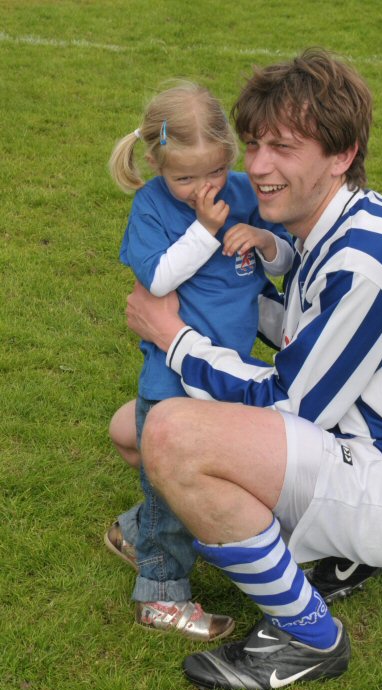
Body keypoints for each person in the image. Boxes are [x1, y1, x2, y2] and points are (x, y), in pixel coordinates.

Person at [125, 49, 382, 690]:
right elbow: (294, 327)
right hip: (365, 444)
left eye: (285, 148)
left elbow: (292, 398)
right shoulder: (330, 229)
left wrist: (173, 339)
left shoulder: (366, 260)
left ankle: (307, 637)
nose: (258, 167)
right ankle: (337, 554)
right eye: (255, 144)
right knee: (134, 425)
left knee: (172, 431)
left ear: (340, 155)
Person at [103, 81, 293, 642]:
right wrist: (207, 230)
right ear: (157, 161)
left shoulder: (241, 192)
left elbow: (284, 262)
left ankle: (135, 530)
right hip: (170, 377)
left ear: (228, 159)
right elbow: (157, 279)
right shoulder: (153, 206)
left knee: (191, 485)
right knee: (170, 487)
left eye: (211, 174)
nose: (199, 189)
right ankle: (161, 596)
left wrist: (261, 238)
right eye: (183, 177)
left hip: (225, 369)